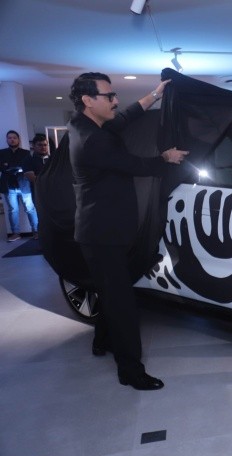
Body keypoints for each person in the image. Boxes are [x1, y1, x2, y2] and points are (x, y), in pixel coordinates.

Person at [68, 72, 188, 390]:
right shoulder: (94, 140)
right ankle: (130, 371)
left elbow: (123, 118)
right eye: (109, 96)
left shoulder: (84, 125)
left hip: (99, 231)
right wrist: (166, 158)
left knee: (110, 292)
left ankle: (102, 341)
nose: (115, 101)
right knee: (121, 302)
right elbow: (137, 165)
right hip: (102, 234)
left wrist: (155, 94)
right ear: (88, 100)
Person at [0, 130, 39, 241]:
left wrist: (10, 167)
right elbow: (2, 168)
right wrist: (11, 167)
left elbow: (27, 167)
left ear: (18, 140)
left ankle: (36, 231)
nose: (12, 140)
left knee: (30, 208)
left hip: (24, 185)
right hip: (9, 186)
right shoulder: (2, 153)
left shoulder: (26, 153)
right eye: (10, 138)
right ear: (7, 140)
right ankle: (15, 233)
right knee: (13, 210)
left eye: (14, 138)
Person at [24, 134, 50, 208]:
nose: (43, 147)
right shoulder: (28, 160)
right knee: (42, 214)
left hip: (54, 193)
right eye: (40, 145)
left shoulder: (52, 159)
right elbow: (32, 178)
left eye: (45, 145)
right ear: (33, 146)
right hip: (38, 194)